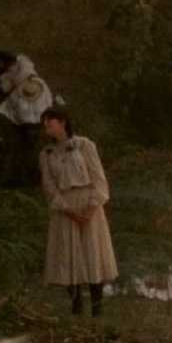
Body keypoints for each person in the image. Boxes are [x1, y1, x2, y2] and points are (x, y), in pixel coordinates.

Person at [38, 108, 118, 317]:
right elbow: (49, 187)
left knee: (92, 252)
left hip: (88, 202)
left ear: (62, 122)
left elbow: (98, 177)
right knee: (68, 254)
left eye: (50, 122)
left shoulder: (84, 145)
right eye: (45, 124)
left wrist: (91, 208)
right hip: (65, 205)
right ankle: (76, 306)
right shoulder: (46, 154)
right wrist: (67, 209)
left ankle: (97, 307)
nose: (47, 127)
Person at [0, 50, 56, 126]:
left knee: (37, 93)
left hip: (31, 83)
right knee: (21, 104)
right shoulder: (3, 77)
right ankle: (33, 117)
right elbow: (6, 89)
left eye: (0, 62)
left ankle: (42, 110)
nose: (1, 65)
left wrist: (15, 81)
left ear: (4, 59)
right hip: (19, 90)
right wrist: (17, 81)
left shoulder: (20, 60)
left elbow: (28, 71)